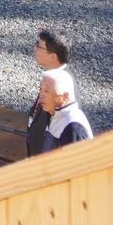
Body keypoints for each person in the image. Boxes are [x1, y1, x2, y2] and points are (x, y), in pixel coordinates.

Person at [25, 29, 71, 157]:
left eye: (39, 46)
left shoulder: (63, 87)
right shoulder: (52, 78)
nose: (35, 49)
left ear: (53, 56)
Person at [39, 68, 92, 150]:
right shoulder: (56, 114)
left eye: (47, 91)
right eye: (40, 89)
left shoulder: (73, 128)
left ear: (65, 97)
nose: (41, 95)